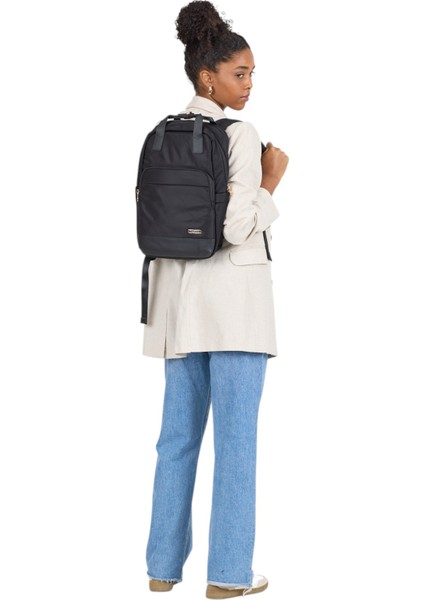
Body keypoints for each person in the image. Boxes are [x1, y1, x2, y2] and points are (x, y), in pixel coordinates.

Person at [142, 1, 289, 598]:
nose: (249, 84)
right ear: (209, 77)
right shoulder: (239, 135)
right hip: (235, 313)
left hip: (178, 313)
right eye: (239, 73)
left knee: (176, 440)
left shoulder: (162, 133)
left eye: (252, 74)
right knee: (236, 442)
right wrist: (271, 180)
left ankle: (161, 569)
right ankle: (228, 576)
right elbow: (236, 227)